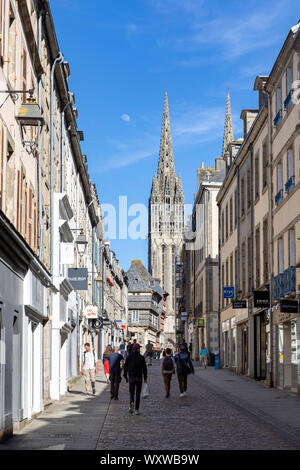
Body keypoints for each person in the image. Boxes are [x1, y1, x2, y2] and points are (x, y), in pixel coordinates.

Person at [124, 342, 147, 415]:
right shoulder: (141, 357)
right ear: (138, 349)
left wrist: (125, 376)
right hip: (139, 377)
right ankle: (137, 409)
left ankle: (131, 403)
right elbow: (145, 369)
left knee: (131, 392)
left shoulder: (129, 357)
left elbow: (125, 368)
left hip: (131, 377)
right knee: (137, 393)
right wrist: (145, 378)